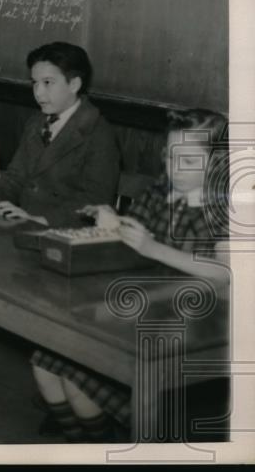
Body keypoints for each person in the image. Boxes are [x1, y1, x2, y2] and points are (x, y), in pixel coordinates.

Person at [31, 108, 229, 442]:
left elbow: (227, 274)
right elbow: (138, 242)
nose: (176, 169)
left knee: (78, 380)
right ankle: (83, 444)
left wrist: (153, 249)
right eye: (170, 156)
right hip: (148, 311)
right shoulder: (159, 193)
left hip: (194, 339)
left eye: (190, 160)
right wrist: (115, 225)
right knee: (44, 360)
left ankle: (101, 443)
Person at [0, 42, 120, 227]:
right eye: (35, 83)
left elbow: (95, 201)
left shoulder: (98, 133)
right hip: (25, 225)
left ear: (74, 84)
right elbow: (15, 177)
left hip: (65, 235)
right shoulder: (36, 122)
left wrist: (42, 220)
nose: (38, 92)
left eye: (47, 83)